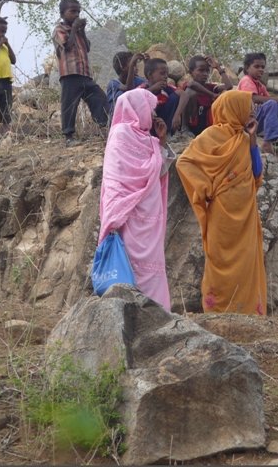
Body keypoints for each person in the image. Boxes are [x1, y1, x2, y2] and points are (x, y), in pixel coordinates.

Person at [176, 89, 267, 316]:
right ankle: (218, 311)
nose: (251, 111)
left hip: (246, 211)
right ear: (233, 109)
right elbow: (184, 162)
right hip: (222, 212)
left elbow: (256, 174)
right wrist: (208, 188)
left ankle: (247, 312)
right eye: (247, 107)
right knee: (220, 261)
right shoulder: (210, 136)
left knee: (246, 263)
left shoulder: (245, 138)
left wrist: (253, 139)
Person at [98, 88, 175, 311]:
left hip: (149, 217)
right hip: (128, 216)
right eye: (150, 109)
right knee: (128, 266)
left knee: (152, 269)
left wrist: (161, 141)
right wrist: (114, 216)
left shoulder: (148, 139)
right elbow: (117, 178)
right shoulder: (120, 133)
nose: (152, 115)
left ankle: (158, 315)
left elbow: (158, 171)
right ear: (137, 108)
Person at [52, 0, 109, 147]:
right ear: (62, 13)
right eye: (72, 12)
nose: (76, 15)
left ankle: (104, 126)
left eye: (78, 12)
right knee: (70, 104)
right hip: (70, 74)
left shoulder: (78, 31)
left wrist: (81, 31)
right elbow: (68, 46)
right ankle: (69, 135)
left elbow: (87, 48)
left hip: (84, 74)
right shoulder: (60, 30)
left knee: (99, 97)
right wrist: (75, 29)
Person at [237, 52, 278, 153]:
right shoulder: (246, 80)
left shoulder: (260, 85)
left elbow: (270, 101)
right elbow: (253, 98)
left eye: (262, 67)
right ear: (247, 68)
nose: (260, 69)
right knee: (272, 103)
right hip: (245, 120)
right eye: (257, 66)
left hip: (255, 118)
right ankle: (267, 142)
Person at [172, 55, 233, 136]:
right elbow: (193, 84)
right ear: (191, 72)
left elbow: (229, 86)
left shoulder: (210, 87)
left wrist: (218, 67)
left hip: (206, 124)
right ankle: (184, 128)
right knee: (189, 93)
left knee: (229, 96)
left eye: (207, 71)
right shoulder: (188, 85)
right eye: (201, 70)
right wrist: (212, 95)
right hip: (193, 124)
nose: (205, 74)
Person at [140, 58, 180, 135]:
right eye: (162, 73)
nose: (166, 76)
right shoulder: (142, 89)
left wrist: (177, 115)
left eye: (166, 74)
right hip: (148, 126)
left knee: (174, 97)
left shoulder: (165, 87)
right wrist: (152, 89)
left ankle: (167, 133)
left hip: (163, 123)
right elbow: (134, 98)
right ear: (150, 75)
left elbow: (184, 94)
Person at [106, 51, 147, 117]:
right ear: (123, 67)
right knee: (121, 94)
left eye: (135, 65)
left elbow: (150, 84)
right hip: (118, 120)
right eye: (133, 65)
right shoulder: (113, 83)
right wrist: (131, 66)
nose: (136, 67)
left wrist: (147, 63)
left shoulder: (136, 79)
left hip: (134, 116)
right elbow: (128, 88)